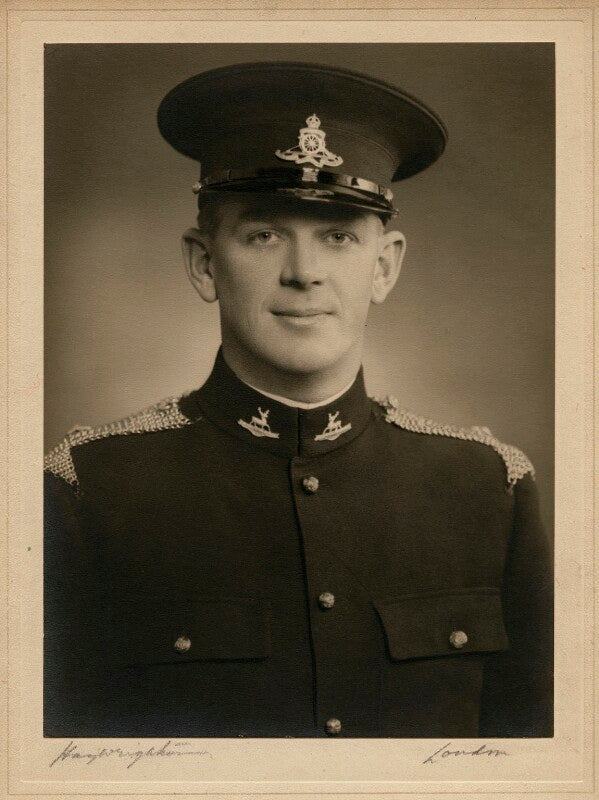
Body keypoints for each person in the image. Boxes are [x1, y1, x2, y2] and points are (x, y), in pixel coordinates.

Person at [43, 61, 553, 739]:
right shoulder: (88, 490)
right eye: (264, 235)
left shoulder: (489, 488)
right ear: (204, 263)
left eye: (338, 237)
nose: (304, 273)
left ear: (384, 266)